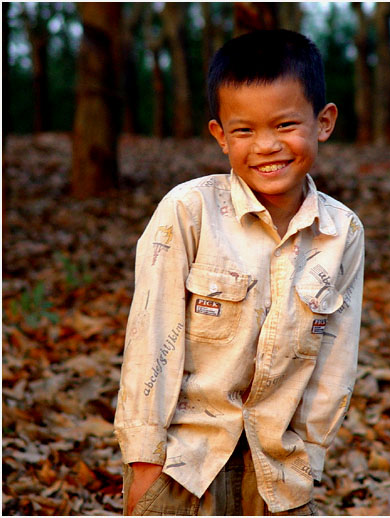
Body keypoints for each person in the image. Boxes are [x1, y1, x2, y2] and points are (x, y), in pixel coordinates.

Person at [114, 29, 365, 516]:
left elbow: (336, 360)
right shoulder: (188, 211)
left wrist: (310, 457)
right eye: (244, 130)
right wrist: (144, 459)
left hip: (278, 470)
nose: (267, 146)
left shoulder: (343, 233)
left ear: (324, 121)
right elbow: (151, 339)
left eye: (286, 124)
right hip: (182, 463)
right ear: (220, 137)